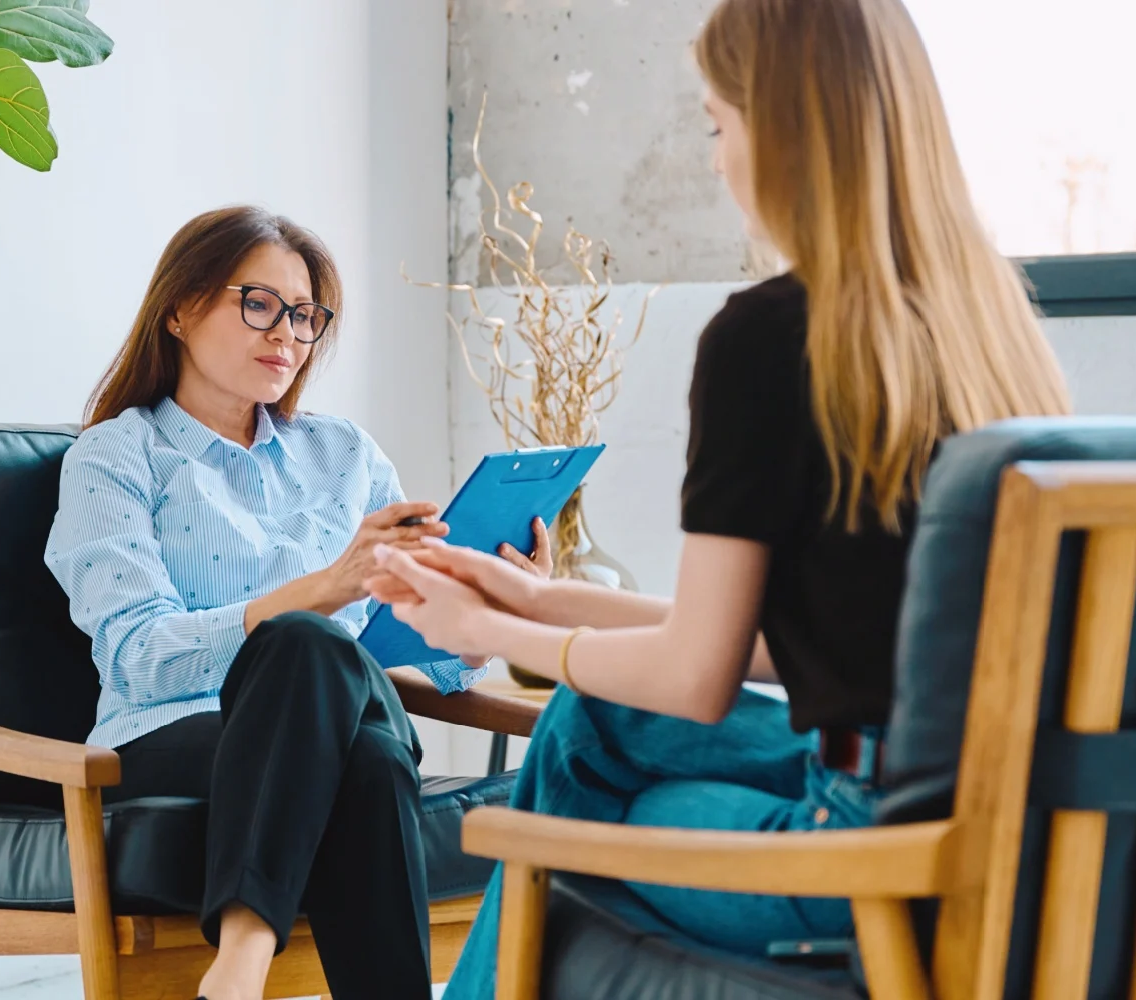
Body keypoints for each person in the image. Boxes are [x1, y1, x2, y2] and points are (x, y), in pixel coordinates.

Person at [367, 0, 1073, 993]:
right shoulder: (985, 332)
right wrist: (535, 596)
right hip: (1015, 817)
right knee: (589, 722)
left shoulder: (769, 336)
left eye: (716, 123)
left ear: (780, 130)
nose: (712, 160)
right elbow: (826, 640)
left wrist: (481, 628)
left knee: (568, 800)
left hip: (871, 847)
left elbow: (697, 675)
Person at [44, 205, 550, 1000]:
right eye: (259, 304)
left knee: (332, 667)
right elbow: (138, 657)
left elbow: (408, 644)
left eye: (306, 315)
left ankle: (239, 966)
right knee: (353, 725)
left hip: (345, 709)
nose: (287, 333)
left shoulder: (344, 452)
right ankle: (246, 964)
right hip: (173, 734)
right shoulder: (115, 456)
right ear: (178, 309)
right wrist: (322, 590)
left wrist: (499, 607)